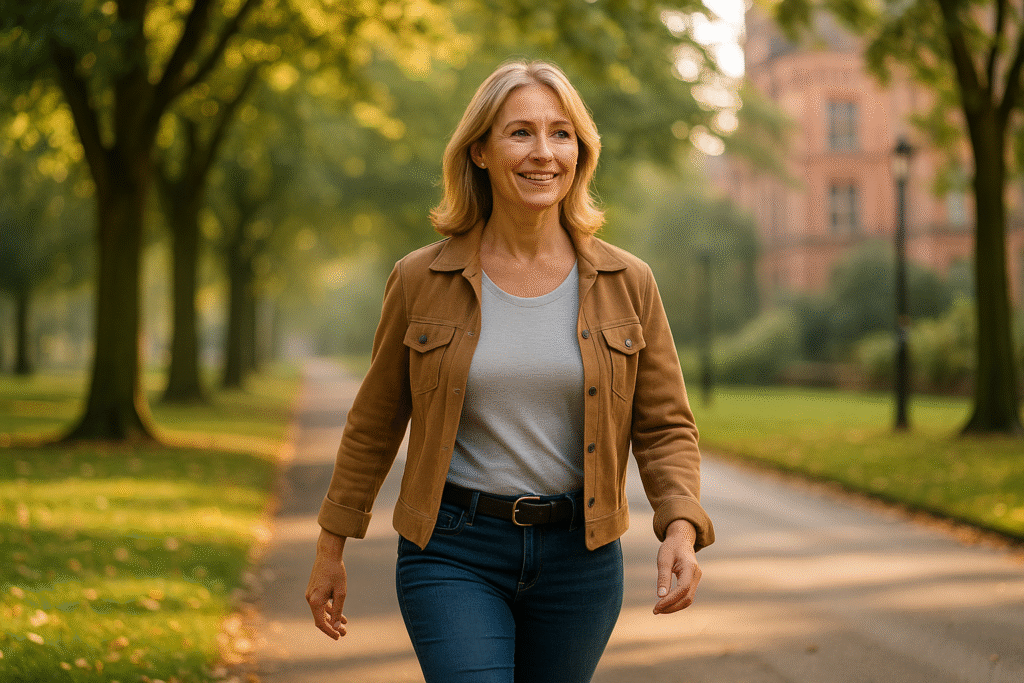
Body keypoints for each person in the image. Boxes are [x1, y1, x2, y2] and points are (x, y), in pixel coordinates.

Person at [306, 59, 715, 683]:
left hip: (582, 558)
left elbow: (664, 425)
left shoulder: (627, 282)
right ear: (479, 151)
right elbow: (375, 420)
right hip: (452, 548)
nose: (543, 153)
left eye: (561, 133)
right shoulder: (421, 278)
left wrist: (681, 527)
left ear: (581, 150)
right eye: (520, 132)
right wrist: (331, 546)